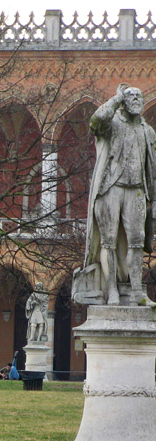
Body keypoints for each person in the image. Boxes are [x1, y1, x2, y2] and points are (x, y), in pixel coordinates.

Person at [73, 84, 156, 306]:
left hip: (137, 190)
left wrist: (154, 201)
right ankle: (111, 291)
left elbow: (152, 170)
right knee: (108, 242)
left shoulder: (147, 131)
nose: (136, 99)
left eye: (139, 96)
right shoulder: (112, 125)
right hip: (112, 188)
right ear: (123, 101)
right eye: (131, 96)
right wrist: (115, 98)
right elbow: (96, 121)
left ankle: (137, 292)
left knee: (137, 241)